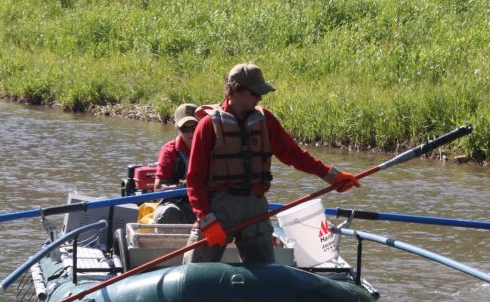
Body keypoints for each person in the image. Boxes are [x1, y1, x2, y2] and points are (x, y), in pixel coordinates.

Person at [184, 62, 360, 264]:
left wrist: (330, 175)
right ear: (236, 91)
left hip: (255, 205)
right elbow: (194, 179)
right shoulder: (208, 125)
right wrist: (207, 220)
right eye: (255, 93)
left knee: (265, 273)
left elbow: (294, 155)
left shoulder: (265, 120)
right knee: (194, 271)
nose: (260, 97)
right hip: (219, 207)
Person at [151, 103, 198, 224]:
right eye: (185, 129)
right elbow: (158, 188)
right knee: (170, 214)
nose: (190, 134)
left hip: (203, 203)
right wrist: (181, 187)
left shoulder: (211, 148)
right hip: (177, 204)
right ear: (178, 129)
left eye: (194, 128)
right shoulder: (169, 150)